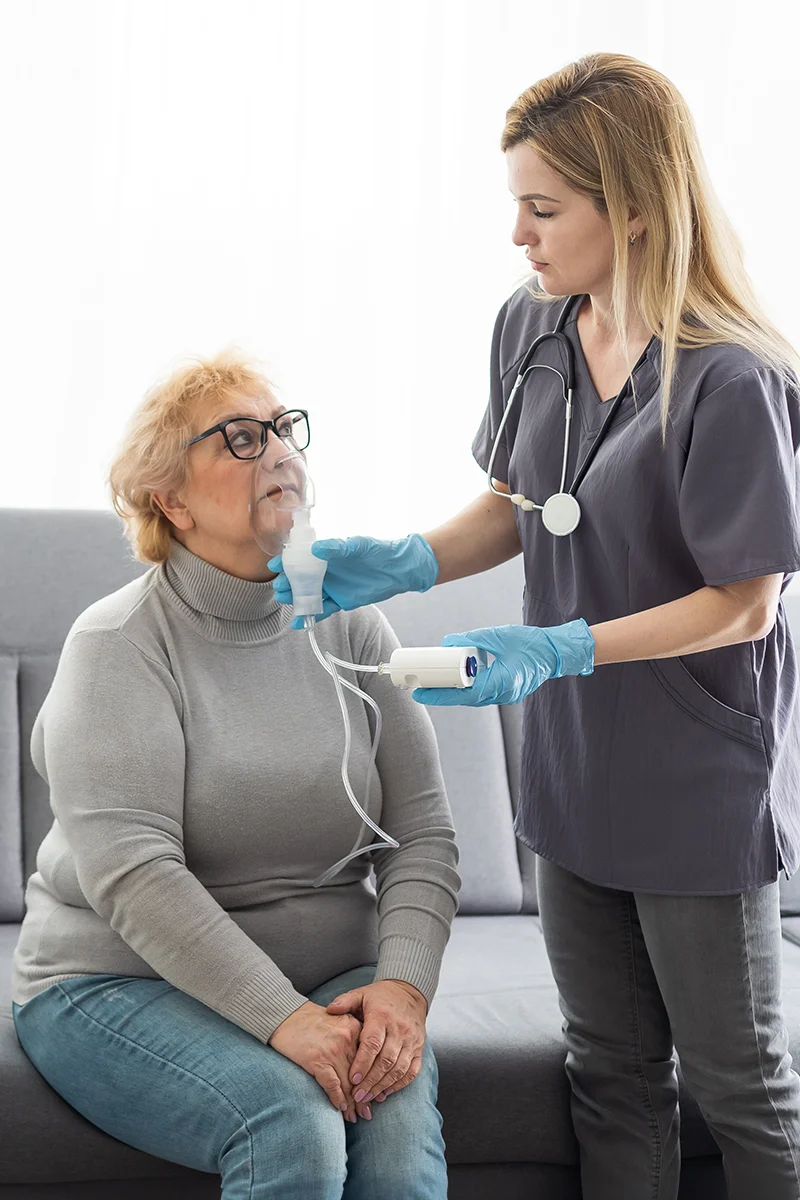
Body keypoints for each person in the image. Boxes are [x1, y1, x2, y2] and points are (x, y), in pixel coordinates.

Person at [272, 52, 800, 1200]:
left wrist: (562, 646)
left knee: (737, 1082)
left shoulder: (728, 377)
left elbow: (745, 598)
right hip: (571, 765)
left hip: (691, 773)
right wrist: (410, 559)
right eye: (516, 202)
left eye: (543, 207)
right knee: (607, 1069)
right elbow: (524, 501)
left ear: (639, 209)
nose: (517, 233)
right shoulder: (532, 326)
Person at [10, 351, 460, 1200]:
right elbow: (135, 876)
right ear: (170, 500)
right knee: (288, 1117)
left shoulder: (356, 626)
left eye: (285, 429)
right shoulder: (118, 645)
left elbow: (424, 835)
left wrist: (401, 989)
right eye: (241, 438)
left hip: (335, 977)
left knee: (398, 1155)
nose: (282, 451)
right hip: (115, 982)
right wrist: (283, 1019)